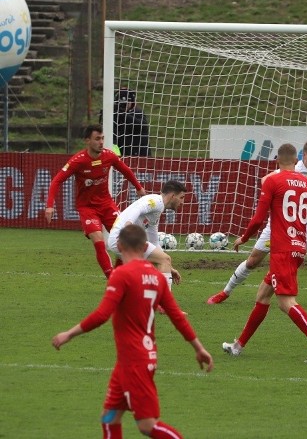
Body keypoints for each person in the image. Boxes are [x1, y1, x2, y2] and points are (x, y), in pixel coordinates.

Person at [51, 224, 213, 438]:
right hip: (136, 359)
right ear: (146, 246)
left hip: (134, 361)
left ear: (118, 245)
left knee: (147, 426)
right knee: (109, 417)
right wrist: (199, 348)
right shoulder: (157, 278)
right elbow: (176, 317)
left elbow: (102, 314)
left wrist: (69, 334)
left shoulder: (122, 275)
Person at [225, 143, 307, 362]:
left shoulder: (272, 181)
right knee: (263, 295)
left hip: (282, 250)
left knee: (285, 302)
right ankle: (238, 346)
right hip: (298, 248)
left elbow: (259, 218)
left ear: (277, 160)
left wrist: (245, 238)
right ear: (296, 159)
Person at [207, 140, 307, 306]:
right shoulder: (294, 169)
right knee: (252, 262)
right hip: (278, 224)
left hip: (302, 224)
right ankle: (224, 292)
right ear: (303, 156)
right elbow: (265, 180)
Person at [45, 123, 146, 279]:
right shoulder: (78, 161)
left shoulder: (109, 156)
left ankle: (118, 275)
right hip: (87, 208)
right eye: (97, 139)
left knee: (124, 238)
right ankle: (112, 278)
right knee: (99, 241)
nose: (101, 142)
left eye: (102, 138)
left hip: (106, 204)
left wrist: (139, 188)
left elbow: (126, 170)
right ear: (87, 141)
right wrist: (49, 206)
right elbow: (56, 181)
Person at [107, 180, 188, 290]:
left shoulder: (157, 210)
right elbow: (138, 209)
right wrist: (127, 227)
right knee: (164, 259)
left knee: (162, 261)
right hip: (122, 238)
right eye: (182, 197)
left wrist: (169, 267)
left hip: (122, 240)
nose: (183, 202)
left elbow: (154, 241)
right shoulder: (156, 201)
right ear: (173, 196)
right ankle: (163, 301)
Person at [114, 87, 150, 156]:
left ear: (132, 102)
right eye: (121, 103)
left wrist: (123, 115)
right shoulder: (115, 114)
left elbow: (142, 127)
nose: (124, 106)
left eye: (127, 103)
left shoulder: (138, 113)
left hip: (139, 154)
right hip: (121, 153)